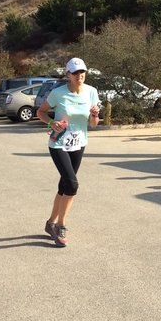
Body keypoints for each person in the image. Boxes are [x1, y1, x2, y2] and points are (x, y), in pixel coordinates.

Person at [36, 57, 100, 247]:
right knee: (72, 184)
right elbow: (41, 112)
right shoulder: (58, 93)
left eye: (83, 72)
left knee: (65, 185)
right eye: (76, 72)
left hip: (79, 143)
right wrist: (50, 122)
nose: (80, 76)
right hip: (59, 144)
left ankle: (50, 223)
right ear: (68, 75)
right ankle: (61, 226)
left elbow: (93, 124)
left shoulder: (91, 92)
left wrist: (95, 115)